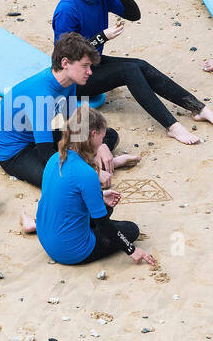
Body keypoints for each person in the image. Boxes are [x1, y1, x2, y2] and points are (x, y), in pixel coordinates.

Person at [52, 0, 213, 145]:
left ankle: (198, 107)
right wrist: (102, 37)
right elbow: (66, 57)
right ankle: (173, 127)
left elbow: (134, 15)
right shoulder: (67, 9)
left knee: (139, 65)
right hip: (74, 78)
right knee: (129, 72)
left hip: (91, 64)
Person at [0, 32, 138, 192]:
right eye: (85, 66)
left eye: (90, 66)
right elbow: (46, 155)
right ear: (65, 63)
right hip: (16, 153)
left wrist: (99, 145)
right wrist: (94, 174)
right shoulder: (42, 95)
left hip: (39, 138)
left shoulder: (69, 83)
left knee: (107, 135)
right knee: (59, 182)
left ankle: (99, 161)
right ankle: (102, 165)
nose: (90, 72)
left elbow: (74, 124)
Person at [35, 106, 157, 268]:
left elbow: (65, 197)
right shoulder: (87, 173)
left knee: (106, 208)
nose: (102, 142)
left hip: (46, 238)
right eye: (102, 137)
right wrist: (131, 249)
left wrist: (100, 197)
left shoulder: (55, 158)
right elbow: (104, 225)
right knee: (130, 229)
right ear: (93, 134)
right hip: (71, 251)